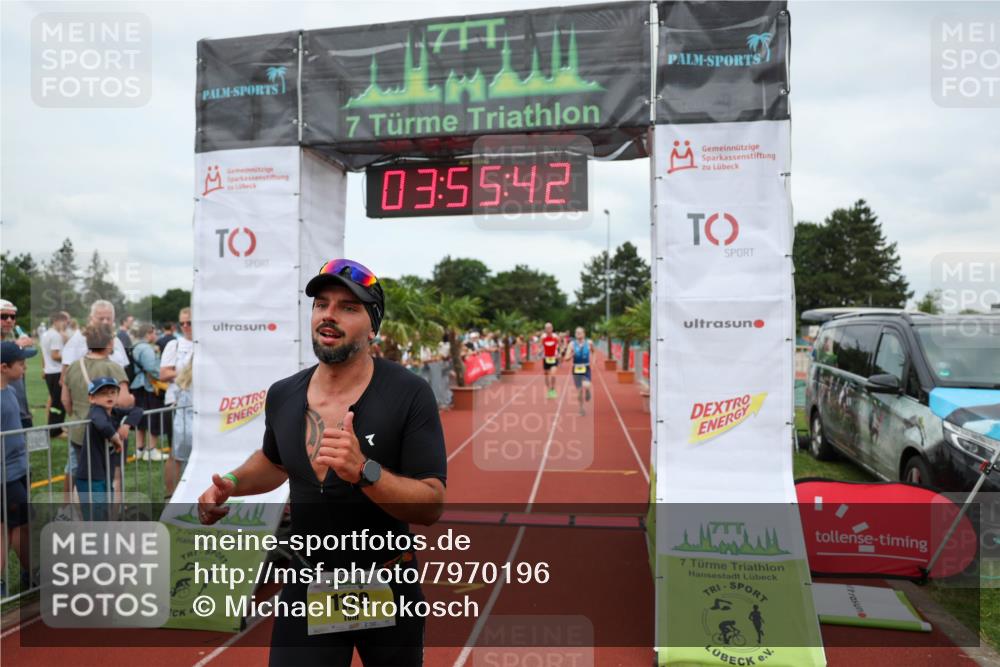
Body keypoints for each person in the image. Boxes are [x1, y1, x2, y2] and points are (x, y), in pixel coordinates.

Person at [197, 258, 447, 666]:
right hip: (308, 578)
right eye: (321, 304)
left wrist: (364, 472)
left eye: (349, 307)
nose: (329, 315)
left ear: (373, 326)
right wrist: (231, 482)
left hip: (385, 580)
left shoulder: (408, 394)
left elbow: (432, 504)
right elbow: (275, 461)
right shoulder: (284, 394)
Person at [62, 323, 134, 503]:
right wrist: (131, 399)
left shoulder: (73, 366)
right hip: (107, 433)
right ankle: (113, 518)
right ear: (109, 343)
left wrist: (78, 414)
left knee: (76, 472)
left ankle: (67, 510)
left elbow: (65, 400)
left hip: (79, 431)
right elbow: (124, 401)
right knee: (114, 476)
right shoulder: (113, 367)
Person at [76, 377, 143, 520]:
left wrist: (126, 425)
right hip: (90, 476)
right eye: (103, 393)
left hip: (104, 474)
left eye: (113, 392)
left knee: (104, 512)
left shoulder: (114, 412)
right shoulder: (96, 411)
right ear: (92, 398)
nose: (109, 396)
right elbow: (101, 424)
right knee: (95, 517)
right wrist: (115, 438)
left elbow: (137, 410)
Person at [1, 341, 36, 597]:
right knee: (5, 531)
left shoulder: (10, 391)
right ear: (4, 367)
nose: (24, 369)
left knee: (23, 525)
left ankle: (31, 573)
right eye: (21, 365)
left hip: (18, 470)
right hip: (5, 476)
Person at [160, 308, 193, 497]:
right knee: (175, 453)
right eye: (182, 323)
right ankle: (170, 495)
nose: (186, 326)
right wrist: (187, 373)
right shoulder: (175, 345)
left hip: (199, 404)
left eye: (190, 322)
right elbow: (163, 374)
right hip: (176, 404)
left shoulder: (204, 344)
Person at [61, 300, 130, 371]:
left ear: (113, 319)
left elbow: (124, 370)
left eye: (108, 318)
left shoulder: (116, 341)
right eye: (101, 319)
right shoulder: (78, 340)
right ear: (90, 318)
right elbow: (65, 377)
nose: (105, 322)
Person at [130, 323, 165, 461]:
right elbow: (152, 368)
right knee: (153, 417)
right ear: (148, 334)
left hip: (138, 385)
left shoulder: (135, 347)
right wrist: (164, 376)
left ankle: (139, 449)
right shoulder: (147, 349)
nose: (155, 336)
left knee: (140, 419)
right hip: (149, 387)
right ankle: (151, 450)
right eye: (153, 333)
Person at [1, 299, 36, 428]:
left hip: (18, 409)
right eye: (3, 316)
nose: (9, 320)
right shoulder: (12, 344)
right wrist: (17, 346)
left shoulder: (10, 340)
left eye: (12, 316)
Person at [41, 311, 70, 437]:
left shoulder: (46, 333)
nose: (66, 325)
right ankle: (55, 431)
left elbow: (44, 355)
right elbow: (55, 355)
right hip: (57, 372)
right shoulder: (55, 336)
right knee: (58, 402)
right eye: (65, 322)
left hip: (49, 371)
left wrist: (44, 368)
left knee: (55, 401)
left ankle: (55, 427)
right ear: (57, 321)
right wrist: (69, 358)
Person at [564, 326, 594, 416]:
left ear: (584, 334)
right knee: (579, 390)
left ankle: (588, 390)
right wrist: (571, 355)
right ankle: (581, 408)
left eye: (580, 332)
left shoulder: (589, 343)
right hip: (576, 368)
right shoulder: (572, 344)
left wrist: (594, 361)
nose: (578, 334)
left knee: (587, 384)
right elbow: (566, 358)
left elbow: (594, 351)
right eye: (577, 333)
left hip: (586, 367)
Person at [540, 322, 560, 399]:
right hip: (546, 358)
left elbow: (560, 345)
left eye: (549, 328)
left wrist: (559, 353)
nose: (548, 329)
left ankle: (553, 389)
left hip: (554, 358)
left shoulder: (556, 337)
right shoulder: (543, 337)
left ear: (552, 328)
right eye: (546, 328)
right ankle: (549, 390)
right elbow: (540, 345)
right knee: (546, 375)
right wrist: (540, 351)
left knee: (553, 374)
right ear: (545, 329)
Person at [117, 314, 136, 385]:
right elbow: (125, 352)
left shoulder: (124, 334)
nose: (132, 323)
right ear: (124, 322)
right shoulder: (122, 335)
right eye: (131, 321)